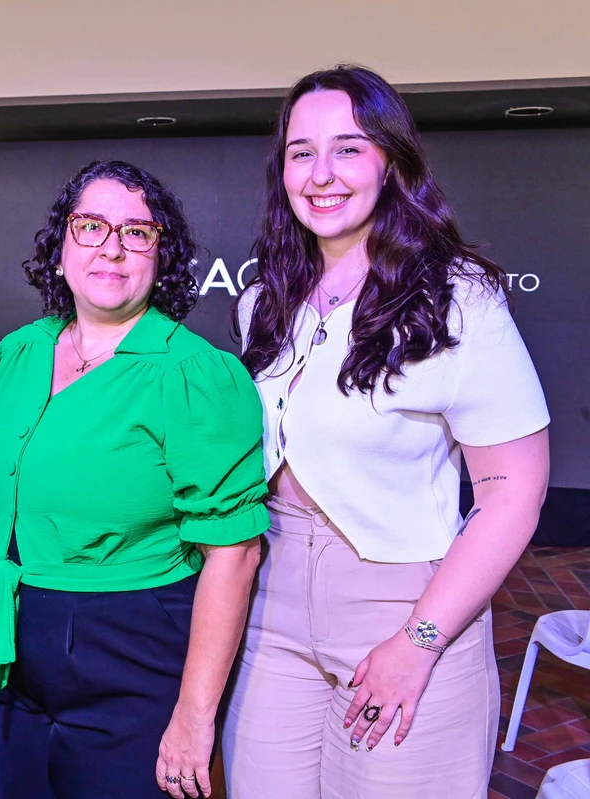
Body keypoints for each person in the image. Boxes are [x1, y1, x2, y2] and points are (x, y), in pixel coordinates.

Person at [223, 65, 551, 798]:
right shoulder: (264, 303)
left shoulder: (457, 298)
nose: (321, 173)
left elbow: (512, 495)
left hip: (403, 603)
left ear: (391, 161)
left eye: (348, 147)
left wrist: (420, 640)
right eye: (301, 152)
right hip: (271, 606)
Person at [0, 160, 269, 799]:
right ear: (59, 249)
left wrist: (193, 718)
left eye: (138, 232)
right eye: (92, 226)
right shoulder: (16, 354)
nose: (112, 246)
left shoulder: (195, 376)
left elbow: (236, 555)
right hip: (13, 638)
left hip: (132, 648)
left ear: (162, 257)